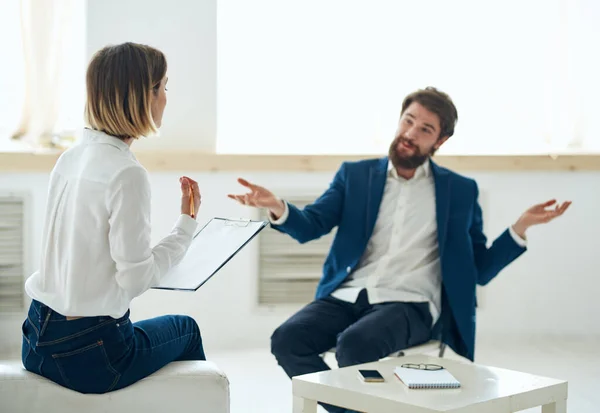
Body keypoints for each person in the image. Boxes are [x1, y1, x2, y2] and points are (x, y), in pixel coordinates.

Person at [228, 87, 571, 413]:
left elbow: (478, 269)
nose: (410, 132)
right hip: (349, 294)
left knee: (355, 344)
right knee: (287, 339)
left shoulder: (461, 191)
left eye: (425, 129)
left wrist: (519, 229)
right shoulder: (356, 175)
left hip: (410, 303)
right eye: (408, 120)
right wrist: (277, 207)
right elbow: (312, 224)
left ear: (441, 140)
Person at [21, 42, 205, 394]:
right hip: (89, 354)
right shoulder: (127, 173)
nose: (166, 97)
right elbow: (135, 278)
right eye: (164, 87)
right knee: (187, 329)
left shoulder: (70, 158)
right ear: (143, 96)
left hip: (35, 339)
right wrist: (186, 226)